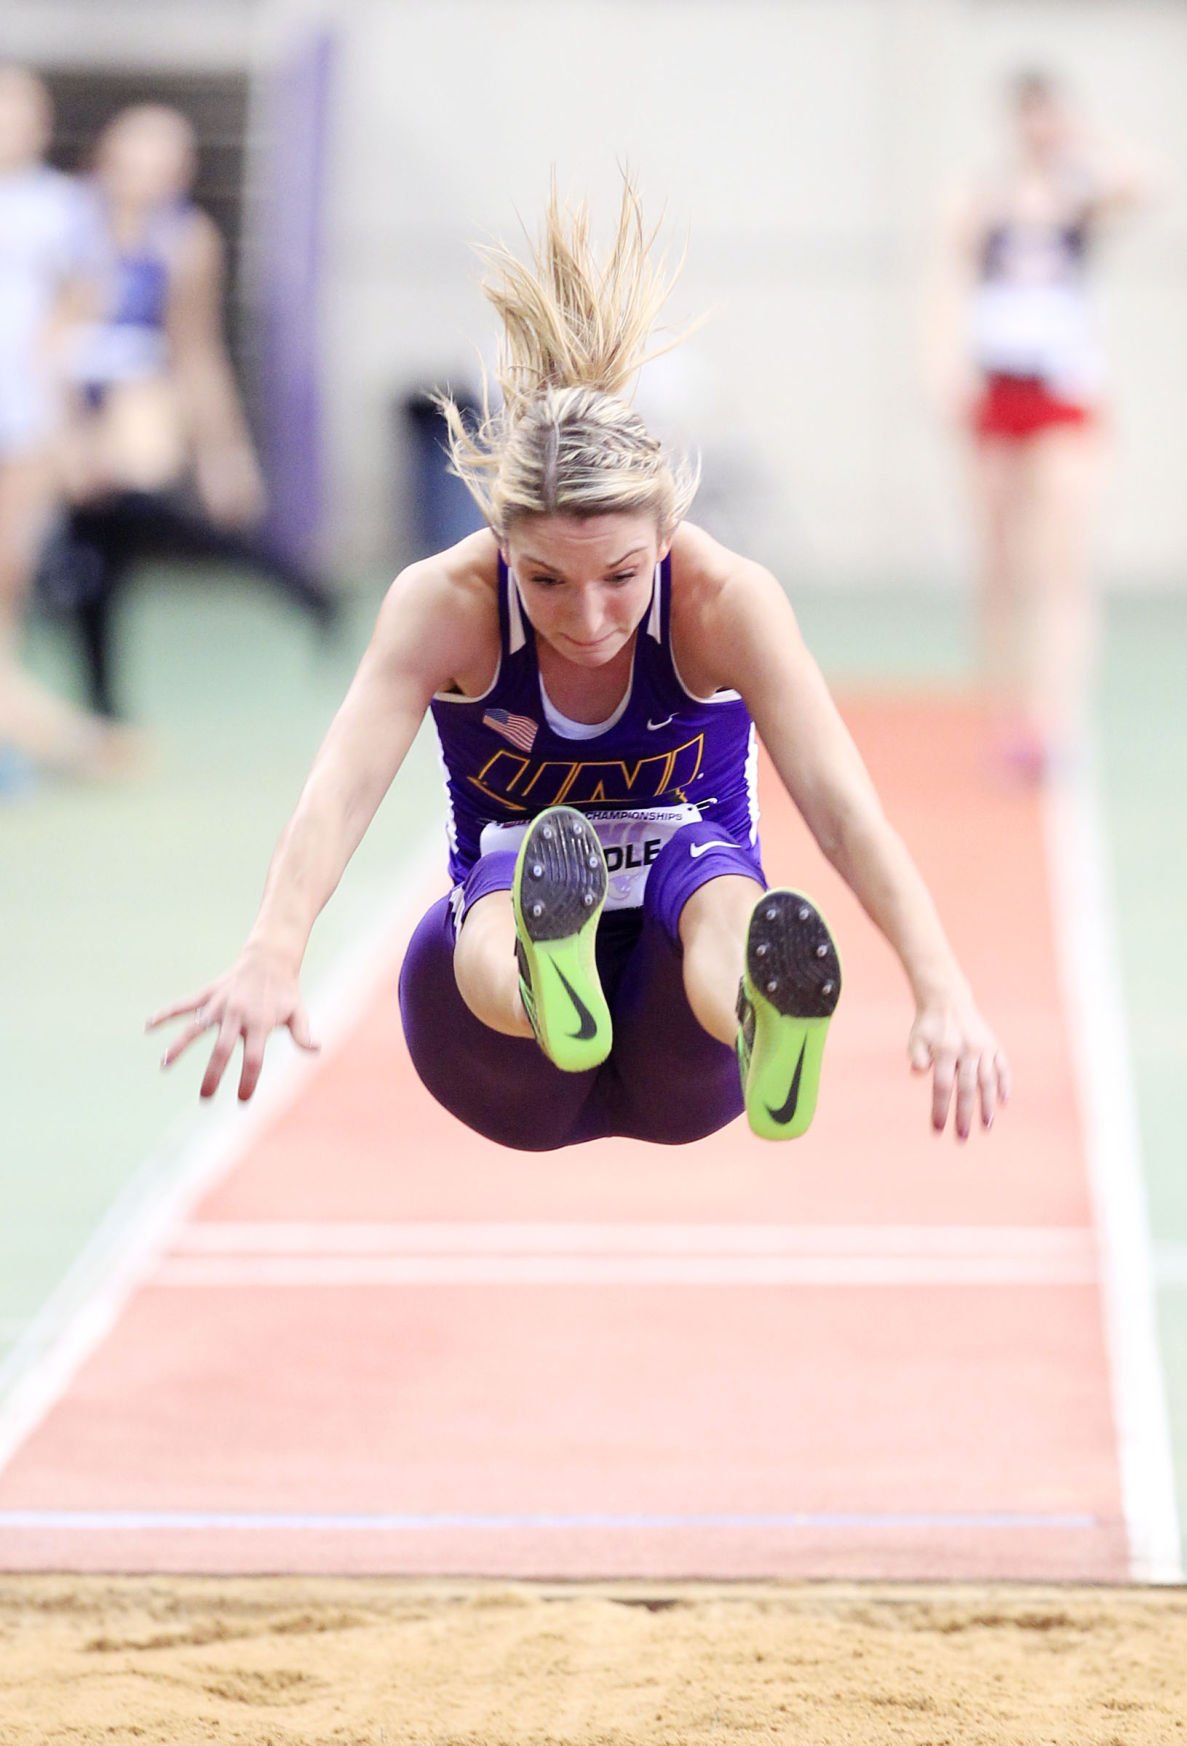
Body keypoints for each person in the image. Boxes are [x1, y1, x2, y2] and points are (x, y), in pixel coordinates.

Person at [150, 181, 1009, 1149]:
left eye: (621, 576)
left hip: (683, 1040)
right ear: (500, 543)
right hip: (497, 1055)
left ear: (666, 534)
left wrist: (940, 988)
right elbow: (338, 792)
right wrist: (274, 947)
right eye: (547, 580)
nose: (588, 617)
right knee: (502, 884)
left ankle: (758, 1016)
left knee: (716, 881)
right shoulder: (447, 605)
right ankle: (540, 981)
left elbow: (841, 808)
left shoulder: (723, 604)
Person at [45, 102, 335, 720]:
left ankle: (289, 582)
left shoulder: (184, 240)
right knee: (100, 544)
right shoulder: (68, 222)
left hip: (138, 404)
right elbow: (50, 333)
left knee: (116, 527)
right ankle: (102, 700)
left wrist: (224, 455)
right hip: (65, 400)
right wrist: (70, 432)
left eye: (165, 161)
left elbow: (196, 354)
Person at [926, 70, 1153, 779]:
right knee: (999, 560)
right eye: (1029, 118)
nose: (1038, 130)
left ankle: (1057, 716)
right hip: (998, 391)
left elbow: (1140, 184)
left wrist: (1081, 142)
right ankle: (1006, 711)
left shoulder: (1078, 197)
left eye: (1049, 118)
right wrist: (942, 370)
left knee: (1059, 560)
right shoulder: (983, 198)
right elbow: (950, 282)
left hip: (1061, 394)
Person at [0, 63, 129, 778]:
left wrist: (69, 424)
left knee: (10, 574)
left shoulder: (61, 208)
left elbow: (86, 302)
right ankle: (52, 736)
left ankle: (25, 739)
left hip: (26, 423)